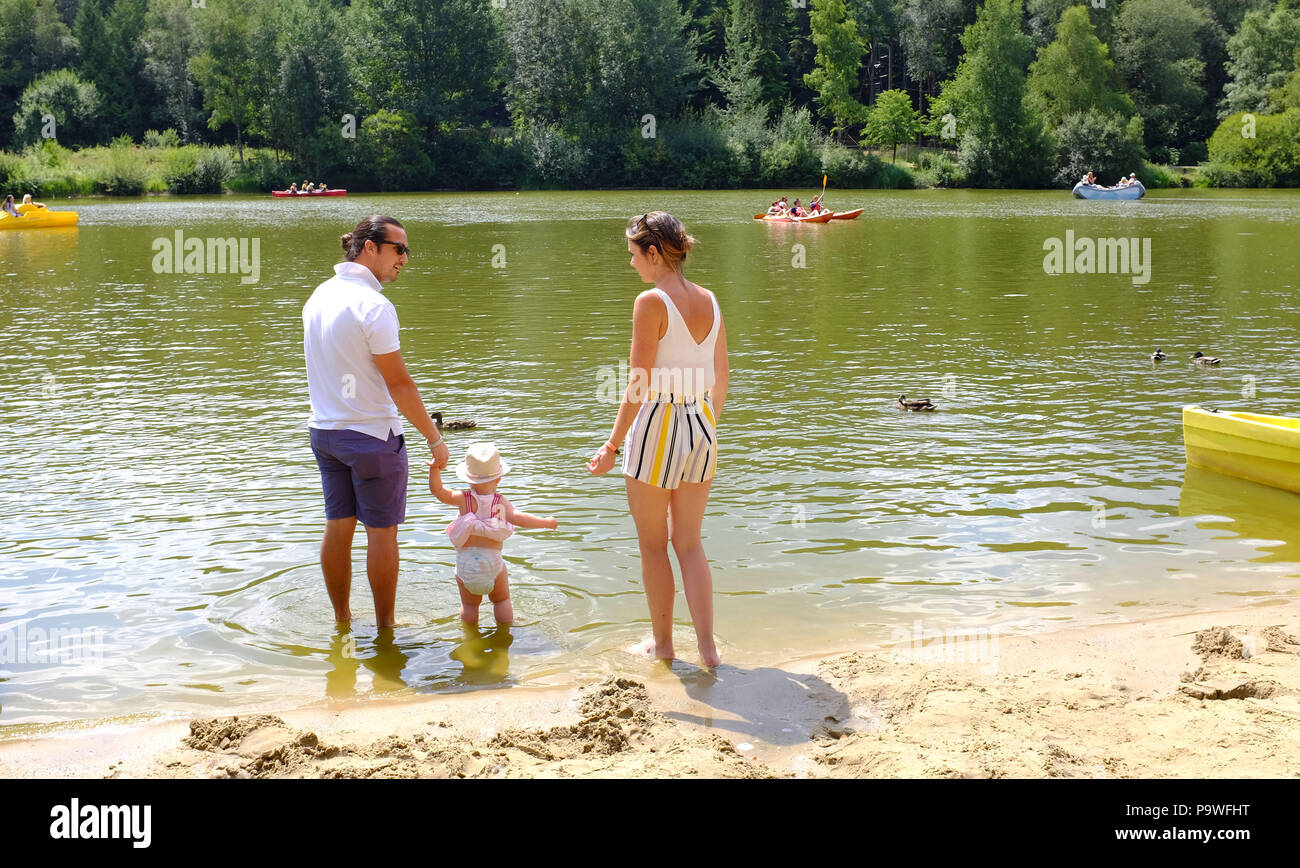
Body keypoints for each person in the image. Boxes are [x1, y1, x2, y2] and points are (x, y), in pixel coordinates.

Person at [587, 211, 729, 667]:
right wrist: (705, 426)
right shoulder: (710, 299)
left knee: (653, 544)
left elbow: (637, 385)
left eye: (633, 254)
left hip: (659, 424)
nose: (631, 264)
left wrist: (611, 446)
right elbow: (722, 377)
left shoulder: (650, 302)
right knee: (690, 543)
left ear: (653, 252)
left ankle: (664, 646)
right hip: (702, 423)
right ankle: (709, 651)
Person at [303, 215, 448, 628]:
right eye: (398, 249)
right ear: (370, 248)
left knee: (338, 526)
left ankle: (342, 621)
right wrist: (435, 439)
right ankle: (386, 629)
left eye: (407, 250)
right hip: (372, 438)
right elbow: (400, 383)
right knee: (381, 534)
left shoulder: (319, 295)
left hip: (325, 433)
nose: (404, 258)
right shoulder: (374, 305)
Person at [428, 442, 559, 625]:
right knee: (501, 600)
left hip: (465, 563)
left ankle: (471, 638)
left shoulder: (462, 499)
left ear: (468, 479)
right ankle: (505, 634)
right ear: (499, 478)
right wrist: (545, 522)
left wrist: (435, 468)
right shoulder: (500, 502)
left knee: (469, 605)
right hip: (492, 562)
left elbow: (439, 492)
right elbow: (519, 518)